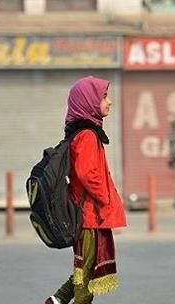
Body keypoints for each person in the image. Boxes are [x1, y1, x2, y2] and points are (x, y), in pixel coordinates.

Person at [45, 76, 127, 304]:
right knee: (86, 275)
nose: (109, 101)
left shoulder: (83, 133)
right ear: (89, 101)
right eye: (103, 97)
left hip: (89, 214)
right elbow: (87, 174)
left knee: (85, 267)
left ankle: (56, 300)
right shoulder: (87, 136)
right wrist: (106, 199)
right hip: (89, 215)